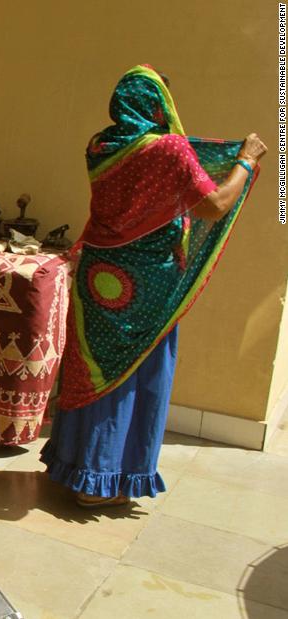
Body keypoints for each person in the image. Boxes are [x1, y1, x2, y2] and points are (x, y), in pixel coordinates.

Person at [42, 65, 266, 508]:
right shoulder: (170, 150)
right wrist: (246, 160)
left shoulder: (100, 146)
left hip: (99, 277)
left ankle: (74, 467)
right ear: (160, 103)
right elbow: (214, 205)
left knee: (95, 367)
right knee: (134, 372)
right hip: (147, 287)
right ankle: (100, 481)